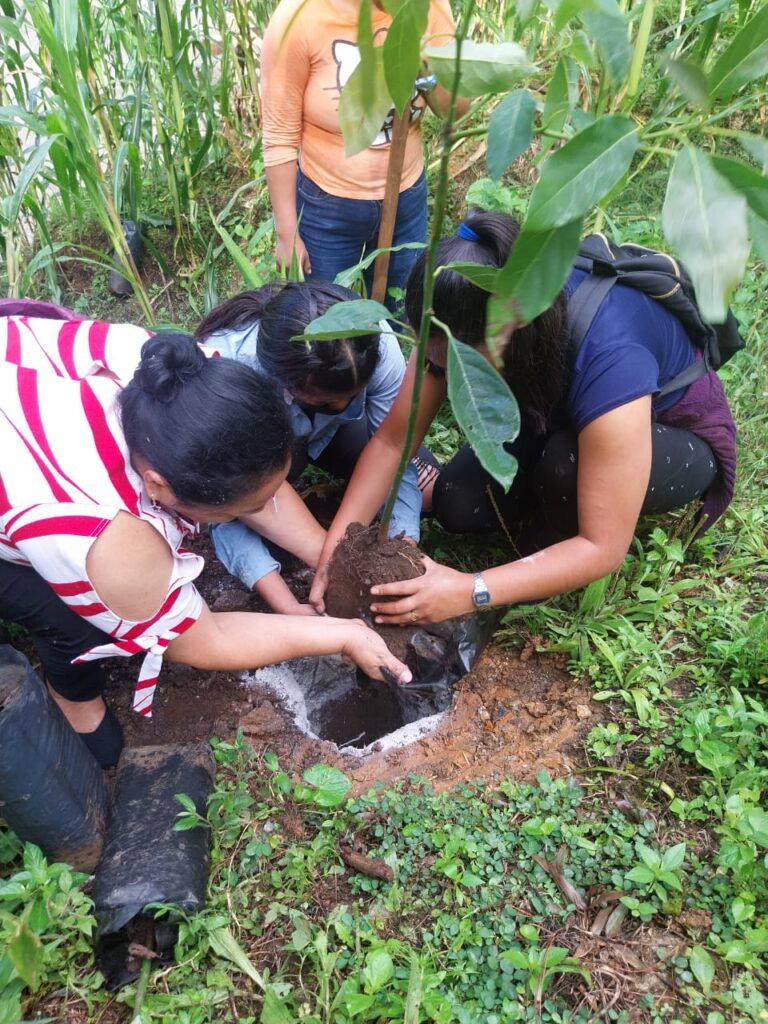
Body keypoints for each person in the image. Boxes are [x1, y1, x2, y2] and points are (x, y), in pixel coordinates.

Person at [0, 314, 412, 767]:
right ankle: (74, 699)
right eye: (241, 510)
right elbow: (201, 639)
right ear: (158, 487)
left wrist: (327, 558)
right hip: (28, 490)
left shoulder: (185, 380)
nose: (259, 510)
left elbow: (258, 487)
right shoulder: (105, 541)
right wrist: (341, 635)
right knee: (67, 618)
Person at [309, 211, 737, 624]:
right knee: (457, 504)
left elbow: (603, 546)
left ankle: (549, 541)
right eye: (437, 359)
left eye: (458, 363)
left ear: (507, 331)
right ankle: (537, 512)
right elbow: (391, 442)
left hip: (672, 437)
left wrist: (470, 590)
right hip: (557, 417)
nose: (444, 370)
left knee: (563, 465)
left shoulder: (612, 355)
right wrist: (335, 552)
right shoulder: (451, 325)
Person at [196, 280, 437, 613]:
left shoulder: (369, 341)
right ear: (286, 382)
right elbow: (222, 503)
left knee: (429, 494)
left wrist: (404, 542)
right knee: (272, 537)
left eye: (353, 397)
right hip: (267, 447)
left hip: (335, 435)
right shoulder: (229, 375)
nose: (341, 407)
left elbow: (394, 447)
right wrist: (293, 599)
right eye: (327, 402)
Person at [260, 0, 469, 306]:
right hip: (326, 206)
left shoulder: (427, 7)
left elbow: (457, 110)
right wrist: (287, 232)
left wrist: (423, 62)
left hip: (405, 198)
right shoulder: (299, 16)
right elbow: (279, 136)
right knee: (325, 318)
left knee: (401, 309)